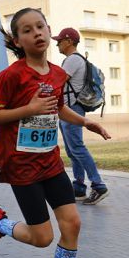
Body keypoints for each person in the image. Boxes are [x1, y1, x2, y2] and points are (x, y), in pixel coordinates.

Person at [0, 8, 111, 258]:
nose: (36, 33)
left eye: (40, 26)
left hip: (50, 162)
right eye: (27, 30)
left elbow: (59, 108)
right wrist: (29, 108)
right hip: (20, 166)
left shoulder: (57, 73)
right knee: (42, 238)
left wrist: (85, 122)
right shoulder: (10, 77)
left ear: (49, 30)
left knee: (73, 223)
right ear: (17, 40)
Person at [52, 27, 109, 205]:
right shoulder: (74, 59)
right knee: (72, 150)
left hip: (73, 109)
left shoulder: (72, 60)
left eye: (59, 41)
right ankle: (79, 186)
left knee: (77, 148)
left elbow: (56, 82)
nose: (57, 44)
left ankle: (99, 186)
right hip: (70, 109)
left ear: (69, 41)